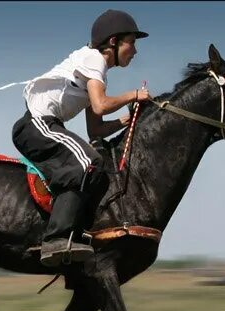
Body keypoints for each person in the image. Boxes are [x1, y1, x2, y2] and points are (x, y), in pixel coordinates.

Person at [11, 9, 151, 267]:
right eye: (131, 42)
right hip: (37, 125)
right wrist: (134, 95)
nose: (135, 50)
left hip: (43, 126)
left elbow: (95, 129)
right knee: (88, 162)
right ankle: (56, 239)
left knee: (89, 157)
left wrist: (127, 120)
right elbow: (100, 105)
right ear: (113, 42)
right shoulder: (93, 59)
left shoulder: (95, 73)